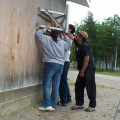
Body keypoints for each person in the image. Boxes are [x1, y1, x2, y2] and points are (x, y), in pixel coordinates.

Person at [35, 25, 72, 111]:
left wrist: (45, 28)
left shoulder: (47, 39)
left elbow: (37, 34)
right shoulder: (62, 43)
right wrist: (66, 36)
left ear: (51, 34)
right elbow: (68, 45)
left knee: (46, 85)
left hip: (50, 64)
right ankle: (53, 105)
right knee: (56, 85)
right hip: (60, 65)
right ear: (59, 35)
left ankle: (47, 105)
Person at [66, 31, 96, 112]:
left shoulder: (85, 46)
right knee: (78, 85)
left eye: (78, 35)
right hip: (83, 69)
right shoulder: (78, 43)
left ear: (81, 37)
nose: (76, 36)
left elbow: (87, 59)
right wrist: (63, 31)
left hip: (88, 68)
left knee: (90, 87)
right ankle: (79, 104)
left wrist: (82, 71)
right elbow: (70, 36)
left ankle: (92, 105)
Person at [58, 24, 75, 106]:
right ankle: (68, 97)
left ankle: (63, 100)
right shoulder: (66, 36)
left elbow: (65, 47)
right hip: (65, 61)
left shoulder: (68, 37)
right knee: (64, 80)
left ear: (70, 30)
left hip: (64, 61)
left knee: (62, 81)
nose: (64, 27)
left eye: (67, 27)